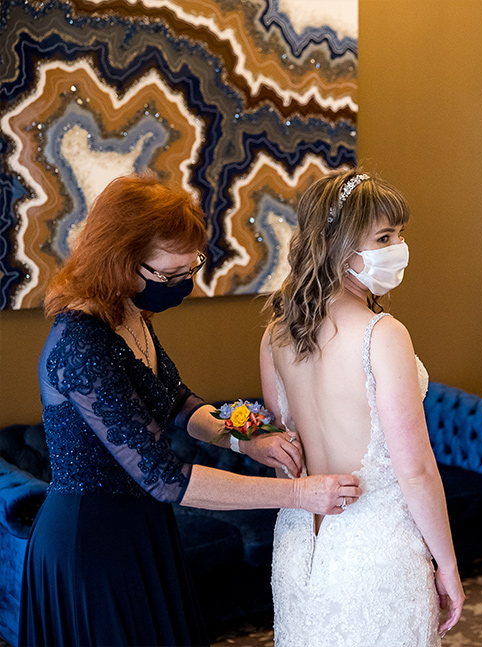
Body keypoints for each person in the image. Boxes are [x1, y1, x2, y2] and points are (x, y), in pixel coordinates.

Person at [19, 174, 362, 646]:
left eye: (191, 267)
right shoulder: (81, 343)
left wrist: (247, 440)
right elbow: (167, 478)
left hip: (142, 529)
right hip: (90, 544)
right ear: (122, 261)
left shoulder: (130, 314)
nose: (184, 284)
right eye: (171, 275)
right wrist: (299, 494)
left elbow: (179, 404)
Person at [262, 169, 464, 646]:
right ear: (339, 246)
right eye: (385, 237)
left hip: (299, 546)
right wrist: (448, 564)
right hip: (376, 550)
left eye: (399, 235)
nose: (399, 247)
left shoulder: (276, 334)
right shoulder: (383, 335)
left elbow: (283, 455)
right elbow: (414, 469)